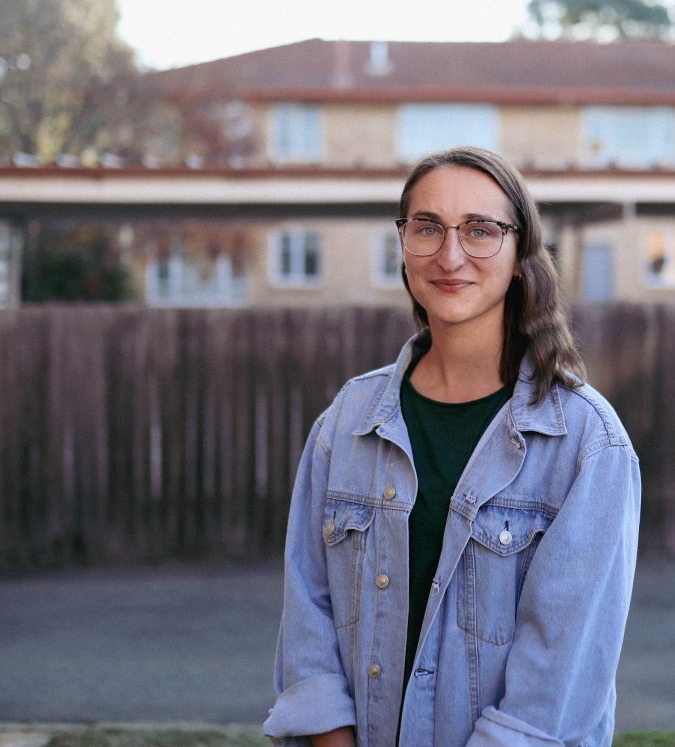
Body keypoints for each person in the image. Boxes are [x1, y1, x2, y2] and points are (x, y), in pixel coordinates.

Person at [263, 146, 641, 747]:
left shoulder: (587, 446)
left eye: (481, 230)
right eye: (428, 227)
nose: (450, 254)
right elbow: (308, 612)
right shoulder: (346, 424)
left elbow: (557, 684)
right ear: (404, 243)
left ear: (520, 256)